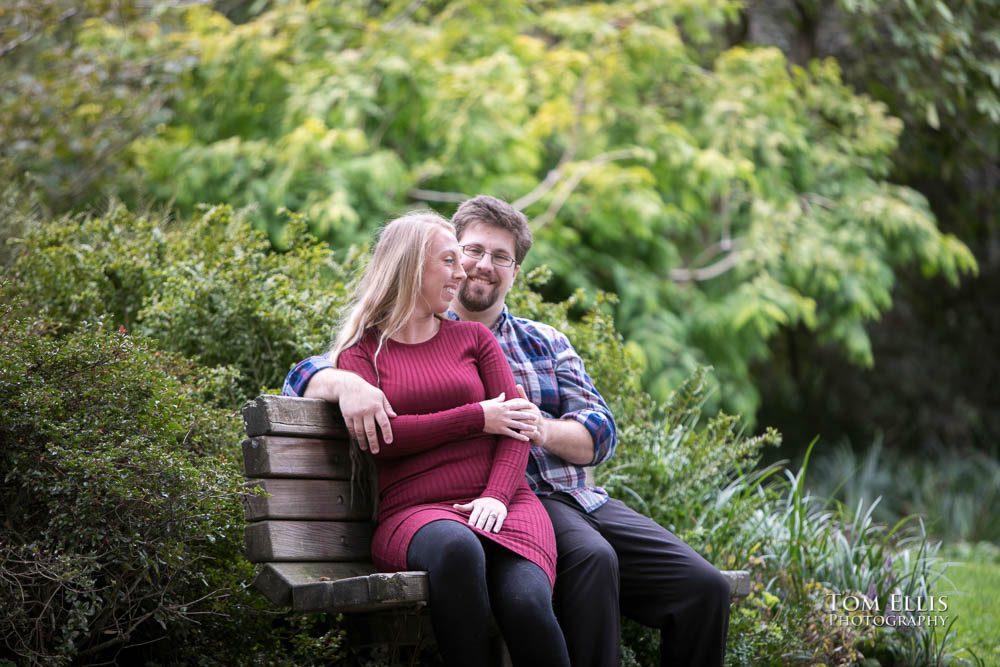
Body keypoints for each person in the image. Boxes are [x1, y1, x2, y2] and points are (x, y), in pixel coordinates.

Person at [284, 196, 731, 666]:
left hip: (571, 499)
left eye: (501, 257)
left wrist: (539, 429)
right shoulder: (410, 331)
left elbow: (600, 432)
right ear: (444, 256)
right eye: (470, 251)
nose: (480, 266)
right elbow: (319, 367)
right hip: (514, 501)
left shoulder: (544, 340)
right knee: (592, 561)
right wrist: (341, 382)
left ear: (515, 272)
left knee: (704, 589)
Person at [314, 210, 570, 667]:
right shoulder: (361, 354)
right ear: (411, 266)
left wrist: (495, 496)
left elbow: (514, 426)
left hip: (506, 507)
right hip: (415, 514)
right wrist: (476, 417)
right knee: (456, 546)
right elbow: (385, 440)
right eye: (449, 260)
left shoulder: (473, 339)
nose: (462, 271)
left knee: (528, 605)